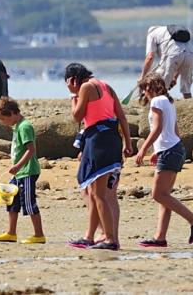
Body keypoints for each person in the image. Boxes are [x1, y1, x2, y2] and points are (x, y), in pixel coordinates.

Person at [64, 62, 133, 251]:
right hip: (112, 138)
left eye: (69, 83)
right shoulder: (107, 86)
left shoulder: (86, 87)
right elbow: (122, 117)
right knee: (94, 191)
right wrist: (128, 143)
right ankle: (89, 236)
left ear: (72, 80)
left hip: (99, 140)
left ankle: (110, 239)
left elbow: (77, 116)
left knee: (98, 194)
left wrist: (73, 96)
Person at [133, 73, 193, 247]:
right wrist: (158, 150)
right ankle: (160, 238)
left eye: (145, 89)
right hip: (174, 148)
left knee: (158, 194)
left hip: (170, 150)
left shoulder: (157, 101)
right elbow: (174, 130)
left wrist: (143, 149)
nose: (144, 93)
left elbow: (157, 128)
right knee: (164, 196)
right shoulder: (168, 102)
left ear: (152, 88)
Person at [0, 97, 45, 244]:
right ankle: (11, 233)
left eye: (3, 119)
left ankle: (39, 235)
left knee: (28, 202)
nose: (3, 122)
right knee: (11, 199)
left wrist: (18, 166)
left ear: (12, 113)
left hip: (27, 171)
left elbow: (31, 150)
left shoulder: (25, 127)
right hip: (20, 172)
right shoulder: (18, 126)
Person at [141, 25, 193, 99]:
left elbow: (150, 57)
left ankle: (155, 106)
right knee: (186, 89)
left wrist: (142, 77)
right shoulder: (168, 31)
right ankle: (191, 106)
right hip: (191, 54)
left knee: (161, 87)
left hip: (173, 54)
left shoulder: (151, 34)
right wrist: (174, 77)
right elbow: (182, 56)